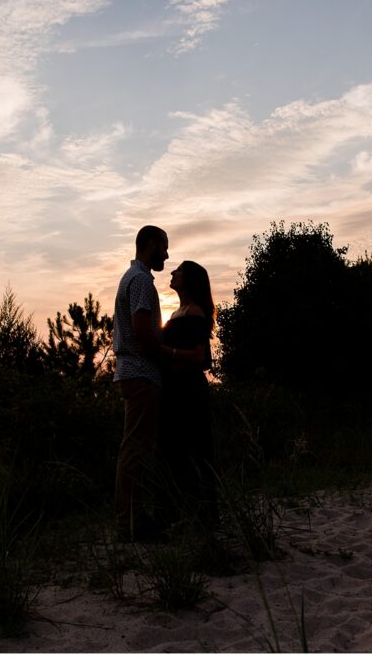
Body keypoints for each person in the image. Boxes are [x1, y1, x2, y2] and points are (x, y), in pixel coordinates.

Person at [112, 225, 170, 541]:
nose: (167, 254)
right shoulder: (142, 281)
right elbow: (140, 329)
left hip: (132, 372)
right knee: (135, 450)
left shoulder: (131, 278)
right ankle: (131, 523)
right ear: (150, 245)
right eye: (164, 246)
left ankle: (132, 518)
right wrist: (165, 356)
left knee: (133, 448)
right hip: (141, 373)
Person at [156, 260, 218, 529]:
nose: (172, 272)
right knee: (174, 453)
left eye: (178, 270)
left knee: (193, 451)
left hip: (189, 391)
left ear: (190, 280)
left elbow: (199, 356)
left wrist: (166, 354)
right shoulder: (175, 314)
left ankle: (201, 516)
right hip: (173, 391)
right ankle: (182, 514)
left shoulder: (195, 314)